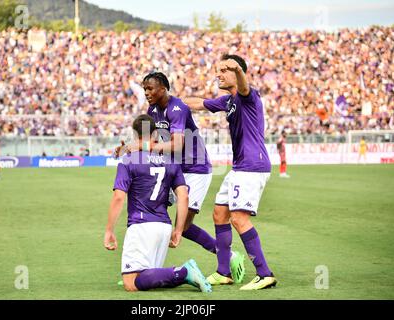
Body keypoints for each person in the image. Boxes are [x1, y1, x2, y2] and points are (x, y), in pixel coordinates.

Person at [115, 72, 246, 284]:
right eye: (145, 89)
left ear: (164, 89)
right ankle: (140, 269)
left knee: (183, 227)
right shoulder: (153, 110)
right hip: (173, 167)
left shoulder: (178, 108)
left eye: (151, 89)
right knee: (150, 213)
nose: (146, 92)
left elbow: (177, 145)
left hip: (195, 169)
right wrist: (130, 148)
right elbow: (151, 140)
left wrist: (141, 146)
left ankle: (229, 257)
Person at [184, 54, 277, 290]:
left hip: (251, 167)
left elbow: (244, 85)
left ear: (236, 73)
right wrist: (170, 100)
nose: (218, 74)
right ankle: (223, 271)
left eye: (223, 70)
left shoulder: (249, 96)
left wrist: (237, 69)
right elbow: (199, 103)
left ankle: (265, 273)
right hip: (239, 167)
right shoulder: (228, 101)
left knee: (239, 218)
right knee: (219, 214)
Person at [104, 114, 212, 293]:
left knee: (131, 282)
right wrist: (178, 230)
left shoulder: (129, 161)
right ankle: (179, 274)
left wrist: (109, 230)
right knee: (147, 278)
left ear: (134, 135)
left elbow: (118, 197)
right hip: (164, 227)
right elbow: (183, 196)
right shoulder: (171, 162)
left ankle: (184, 272)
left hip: (141, 225)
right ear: (155, 134)